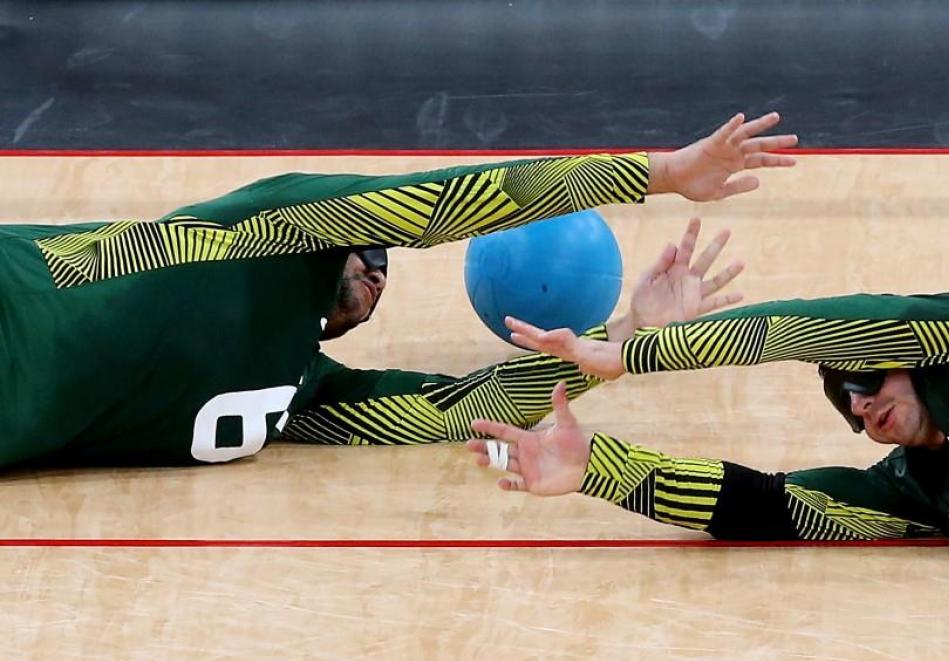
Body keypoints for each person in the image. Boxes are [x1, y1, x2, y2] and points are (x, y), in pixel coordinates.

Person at [0, 113, 797, 468]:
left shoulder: (302, 392)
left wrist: (626, 339)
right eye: (372, 251)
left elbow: (461, 408)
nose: (379, 271)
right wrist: (656, 173)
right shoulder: (272, 232)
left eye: (386, 269)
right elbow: (450, 200)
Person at [467, 284, 949, 553]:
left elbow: (813, 328)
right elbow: (777, 507)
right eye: (845, 402)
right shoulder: (925, 491)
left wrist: (641, 353)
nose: (861, 403)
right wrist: (604, 469)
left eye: (866, 377)